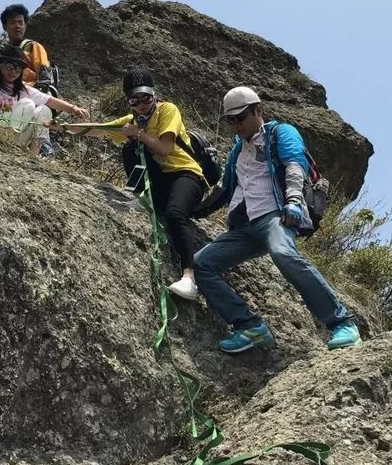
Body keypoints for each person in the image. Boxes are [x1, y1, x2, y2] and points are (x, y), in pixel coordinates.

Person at [193, 86, 361, 353]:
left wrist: (294, 201)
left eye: (241, 117)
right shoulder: (238, 151)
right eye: (231, 120)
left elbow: (295, 165)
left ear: (258, 111)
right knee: (202, 263)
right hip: (243, 226)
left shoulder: (280, 132)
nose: (236, 124)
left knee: (283, 253)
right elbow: (225, 190)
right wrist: (190, 211)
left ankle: (342, 323)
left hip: (274, 215)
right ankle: (249, 326)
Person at [83, 69, 205, 300]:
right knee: (130, 148)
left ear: (154, 95)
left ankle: (189, 278)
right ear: (129, 101)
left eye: (145, 98)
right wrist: (59, 126)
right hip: (162, 181)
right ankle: (143, 195)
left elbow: (164, 149)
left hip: (186, 175)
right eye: (134, 100)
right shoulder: (131, 121)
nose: (141, 104)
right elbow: (99, 129)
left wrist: (138, 134)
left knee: (175, 215)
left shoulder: (168, 110)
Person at [0, 45, 89, 152]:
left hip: (14, 140)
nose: (13, 71)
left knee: (43, 110)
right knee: (26, 104)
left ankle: (33, 156)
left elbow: (49, 100)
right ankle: (3, 142)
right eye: (9, 66)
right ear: (0, 65)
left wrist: (74, 109)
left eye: (18, 68)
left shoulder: (22, 90)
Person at [0, 3, 54, 90]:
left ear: (25, 26)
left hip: (30, 92)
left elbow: (44, 77)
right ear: (4, 27)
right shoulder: (2, 52)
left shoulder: (33, 47)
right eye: (13, 23)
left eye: (20, 22)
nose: (17, 26)